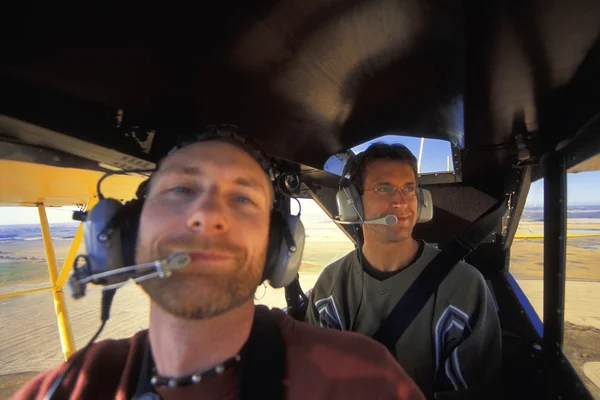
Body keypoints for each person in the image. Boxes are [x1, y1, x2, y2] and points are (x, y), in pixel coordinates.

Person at [11, 126, 425, 400]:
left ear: (277, 245)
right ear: (127, 233)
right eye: (180, 189)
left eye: (242, 198)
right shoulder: (68, 389)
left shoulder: (362, 382)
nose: (208, 214)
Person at [305, 142, 502, 399]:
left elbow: (473, 391)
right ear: (353, 202)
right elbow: (319, 383)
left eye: (408, 189)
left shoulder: (465, 287)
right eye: (384, 188)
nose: (400, 201)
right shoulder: (330, 287)